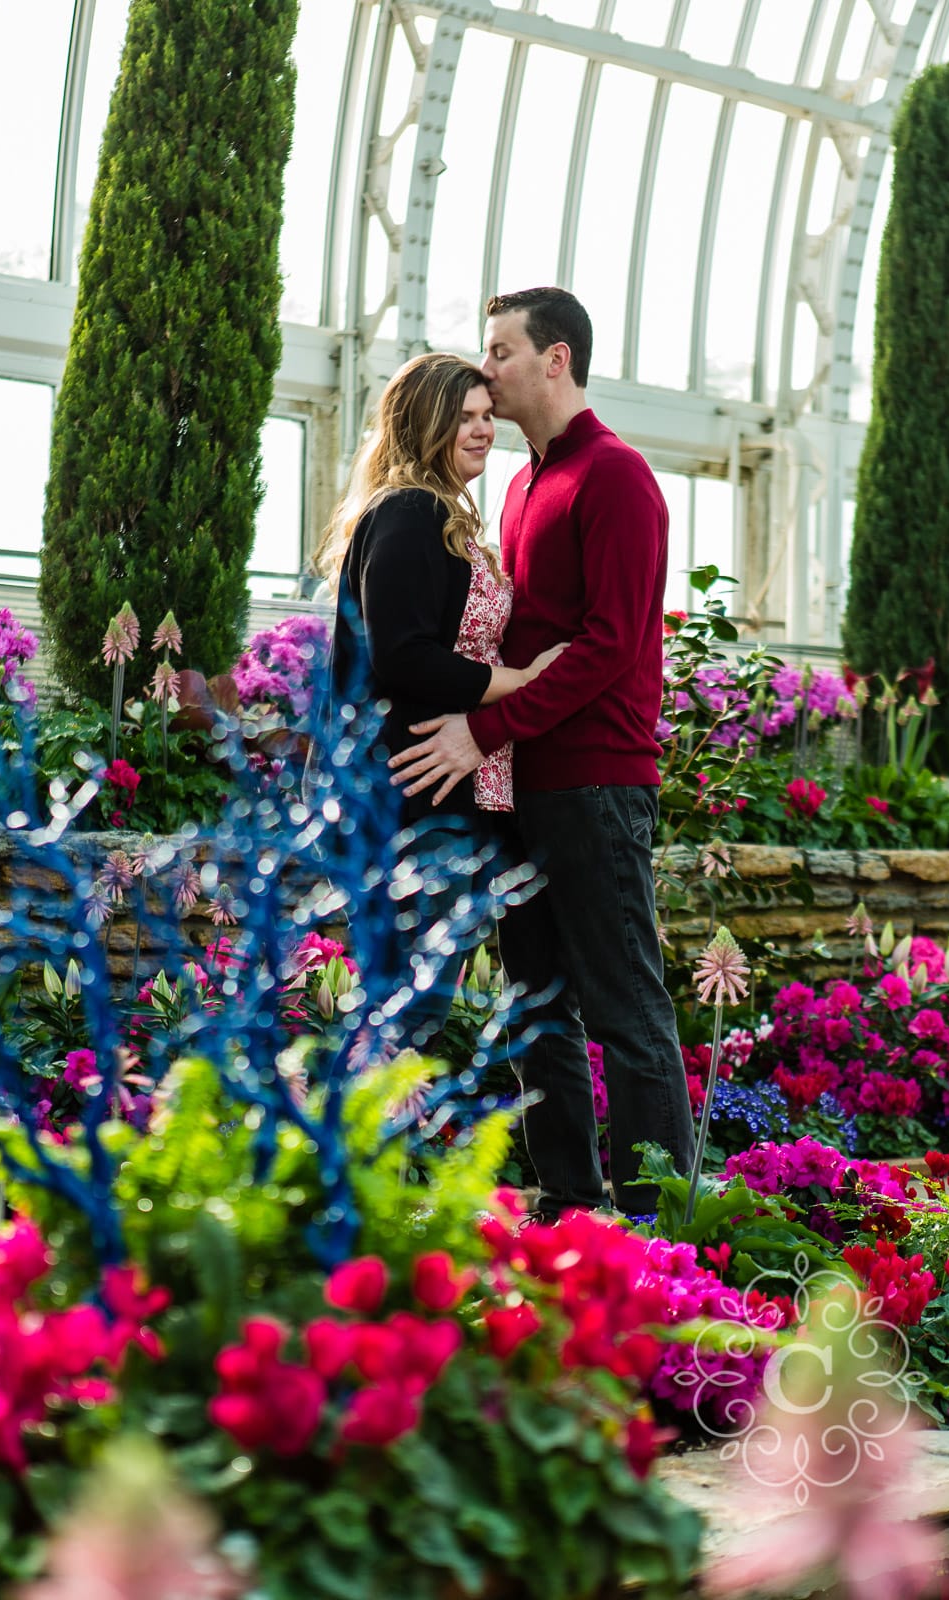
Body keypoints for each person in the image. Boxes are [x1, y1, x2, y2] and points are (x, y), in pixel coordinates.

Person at [389, 288, 695, 1217]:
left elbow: (609, 645)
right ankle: (568, 1205)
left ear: (555, 360)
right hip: (520, 786)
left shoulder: (617, 477)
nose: (487, 370)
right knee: (534, 1006)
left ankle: (658, 1231)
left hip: (596, 782)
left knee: (625, 1011)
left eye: (502, 352)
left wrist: (481, 728)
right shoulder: (522, 486)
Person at [317, 350, 565, 1048]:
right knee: (407, 1016)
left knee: (407, 1013)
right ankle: (354, 1151)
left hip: (437, 801)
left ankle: (365, 1151)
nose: (483, 430)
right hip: (412, 803)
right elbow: (403, 656)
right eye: (463, 418)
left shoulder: (435, 513)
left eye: (488, 416)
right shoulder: (410, 512)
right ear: (424, 424)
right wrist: (519, 682)